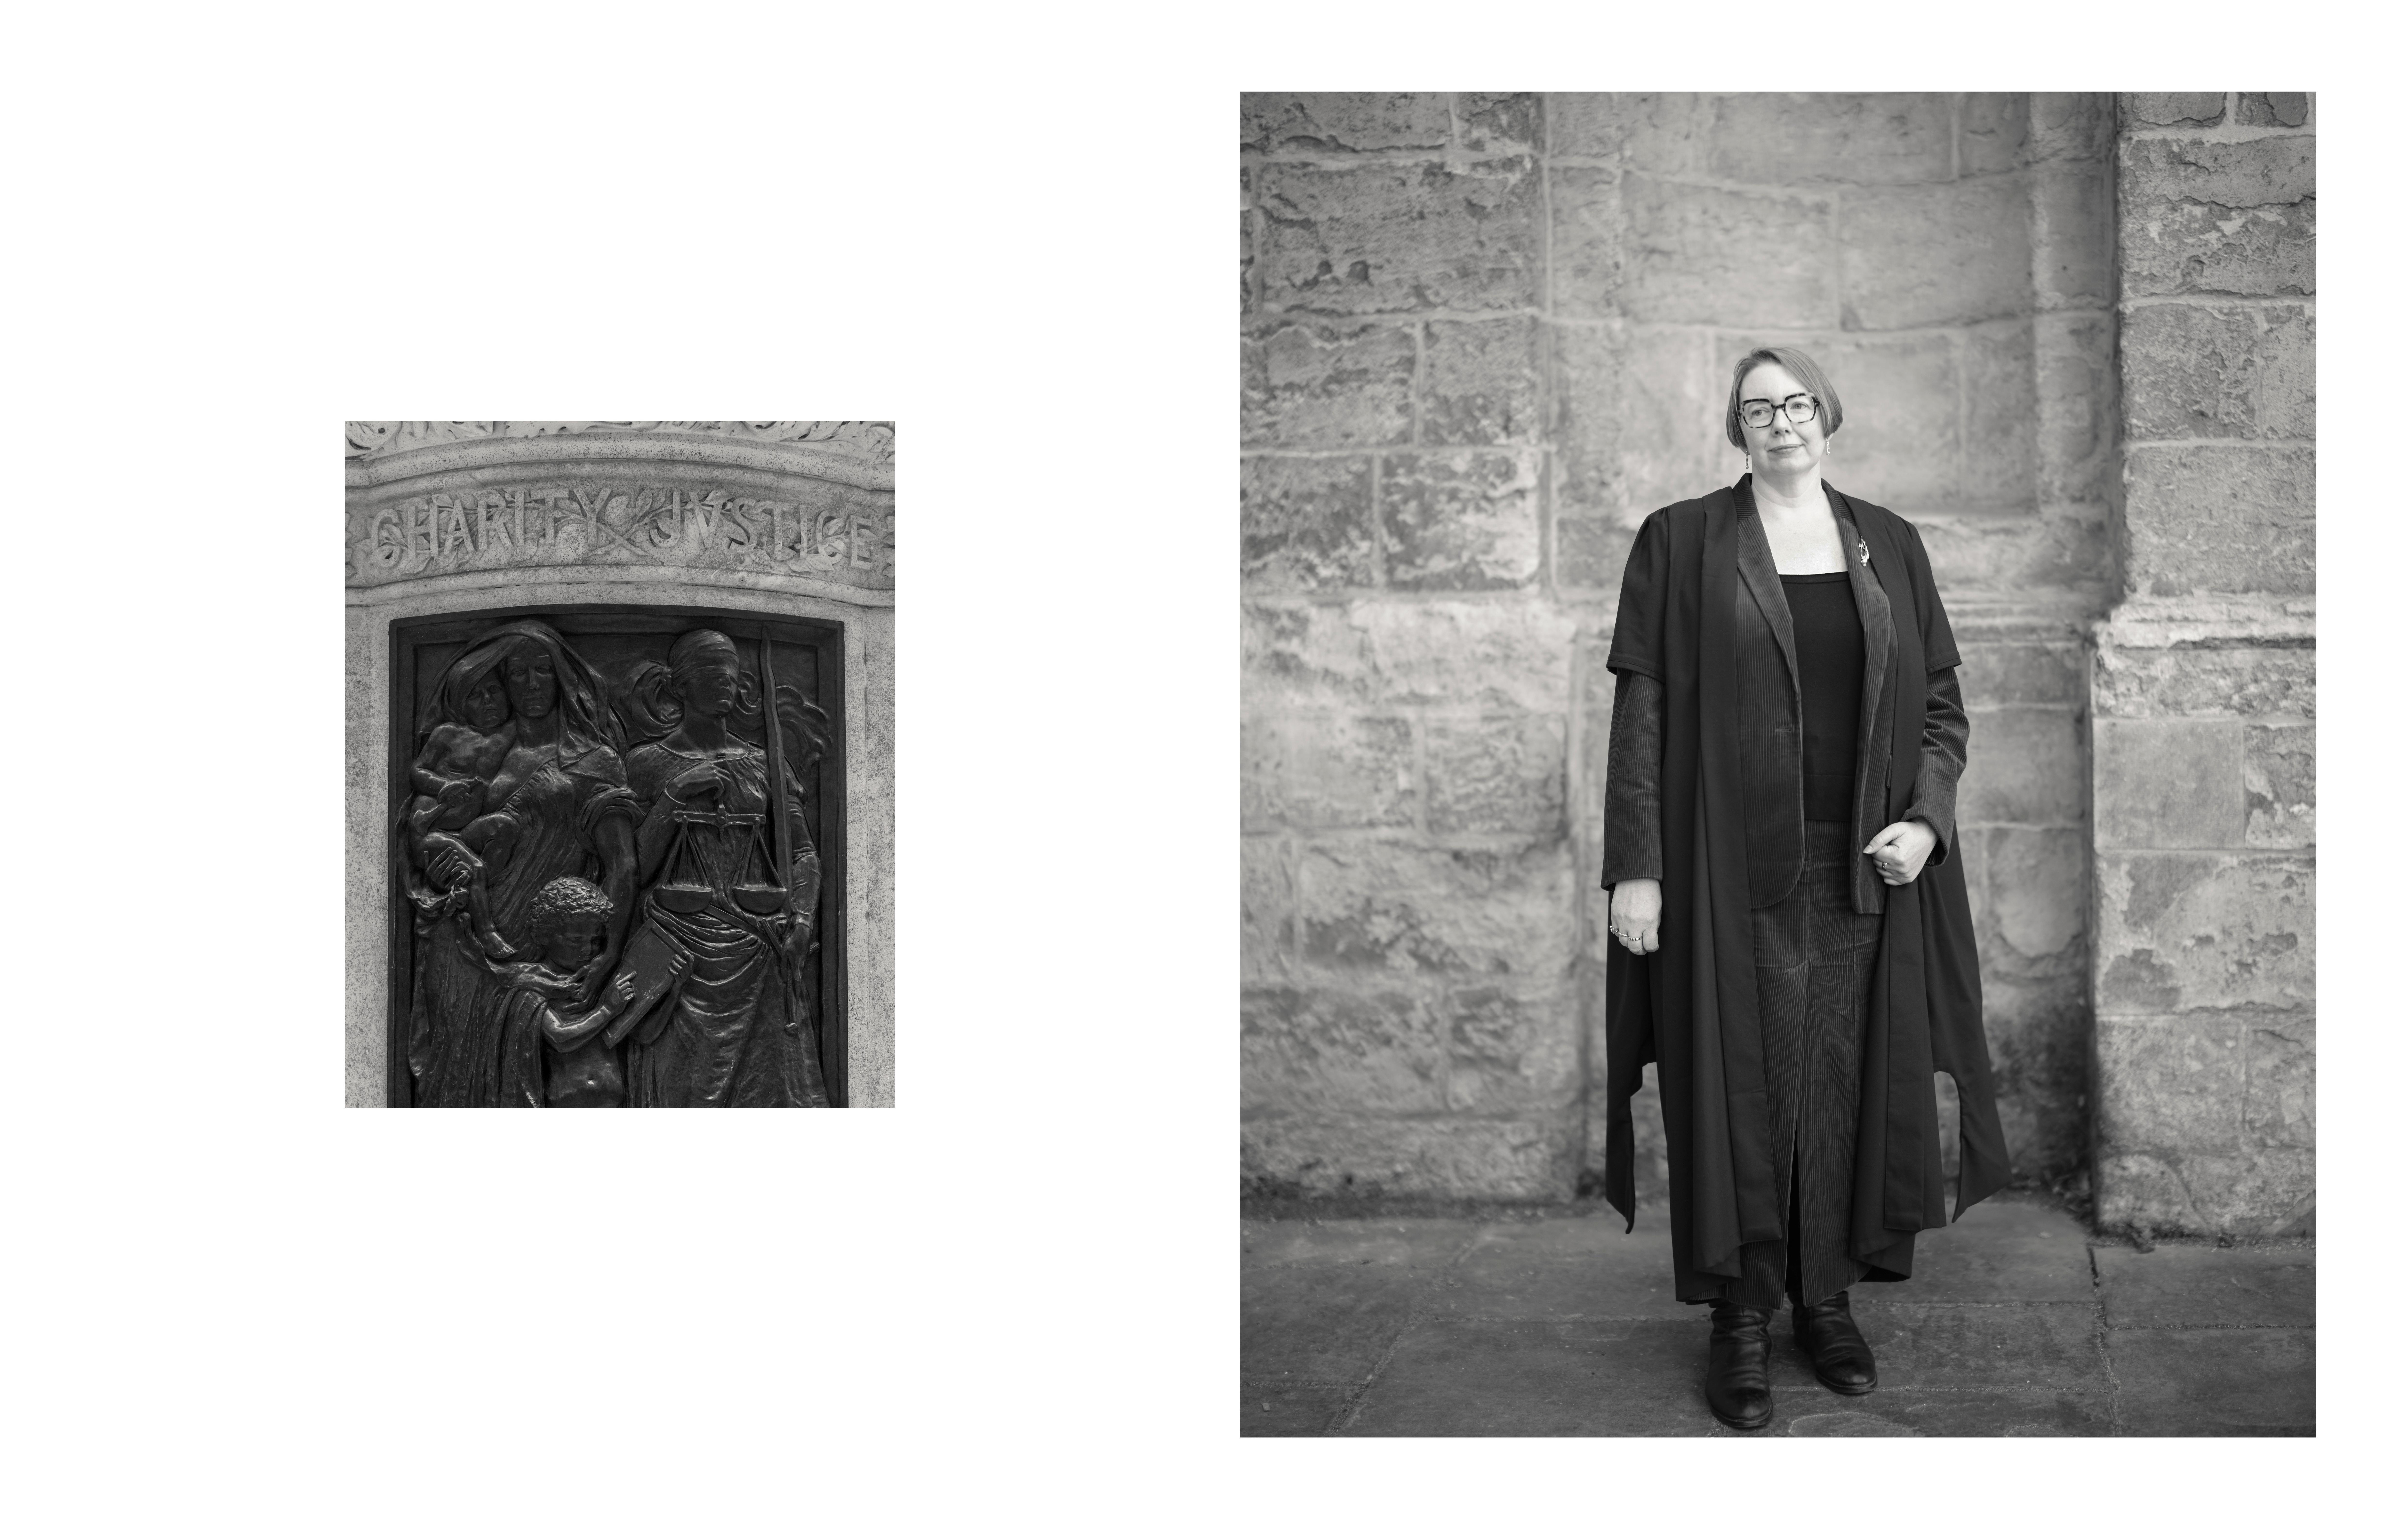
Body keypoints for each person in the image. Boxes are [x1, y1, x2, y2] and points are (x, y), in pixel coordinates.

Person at [1596, 346, 2010, 1431]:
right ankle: (1739, 1317)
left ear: (1826, 414)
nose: (1781, 423)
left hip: (1859, 868)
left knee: (1839, 1083)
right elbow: (1641, 719)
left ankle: (1823, 1302)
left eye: (1796, 404)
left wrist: (1926, 820)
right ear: (1737, 429)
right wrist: (1636, 869)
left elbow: (1940, 712)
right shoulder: (1683, 543)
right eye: (1756, 409)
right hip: (1719, 865)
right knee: (1732, 1088)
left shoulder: (1891, 544)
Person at [400, 620, 639, 1107]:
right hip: (465, 930)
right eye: (517, 675)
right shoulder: (485, 751)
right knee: (457, 1063)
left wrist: (608, 953)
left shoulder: (592, 760)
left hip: (546, 940)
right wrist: (442, 855)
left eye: (542, 673)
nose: (531, 686)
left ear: (562, 680)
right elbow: (432, 824)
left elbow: (623, 865)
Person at [619, 628, 832, 1107]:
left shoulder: (765, 766)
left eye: (733, 679)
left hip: (758, 947)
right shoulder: (646, 764)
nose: (728, 688)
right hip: (678, 950)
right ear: (679, 686)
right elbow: (631, 866)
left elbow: (803, 855)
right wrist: (676, 796)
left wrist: (801, 919)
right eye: (713, 676)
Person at [491, 875, 644, 1107]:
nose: (588, 950)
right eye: (576, 940)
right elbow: (560, 1038)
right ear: (545, 934)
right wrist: (607, 1010)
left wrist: (673, 991)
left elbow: (642, 1033)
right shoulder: (534, 987)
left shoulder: (600, 981)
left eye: (596, 941)